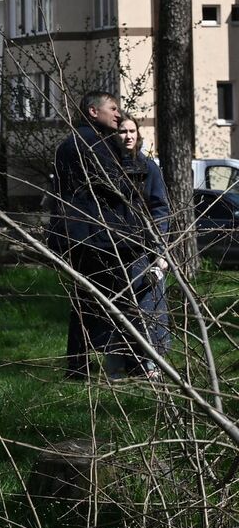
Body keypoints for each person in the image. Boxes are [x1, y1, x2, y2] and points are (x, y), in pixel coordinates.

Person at [49, 92, 169, 382]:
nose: (117, 115)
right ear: (93, 111)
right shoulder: (97, 145)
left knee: (85, 303)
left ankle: (78, 367)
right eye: (112, 109)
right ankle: (138, 365)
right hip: (105, 239)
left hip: (77, 236)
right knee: (127, 302)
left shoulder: (69, 145)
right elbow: (115, 189)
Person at [117, 114, 170, 363]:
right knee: (121, 308)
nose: (127, 136)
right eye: (122, 131)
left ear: (138, 135)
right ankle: (122, 361)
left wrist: (159, 250)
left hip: (144, 249)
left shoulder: (148, 168)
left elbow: (160, 208)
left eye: (131, 131)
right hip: (115, 247)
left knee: (150, 305)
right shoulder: (108, 167)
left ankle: (153, 362)